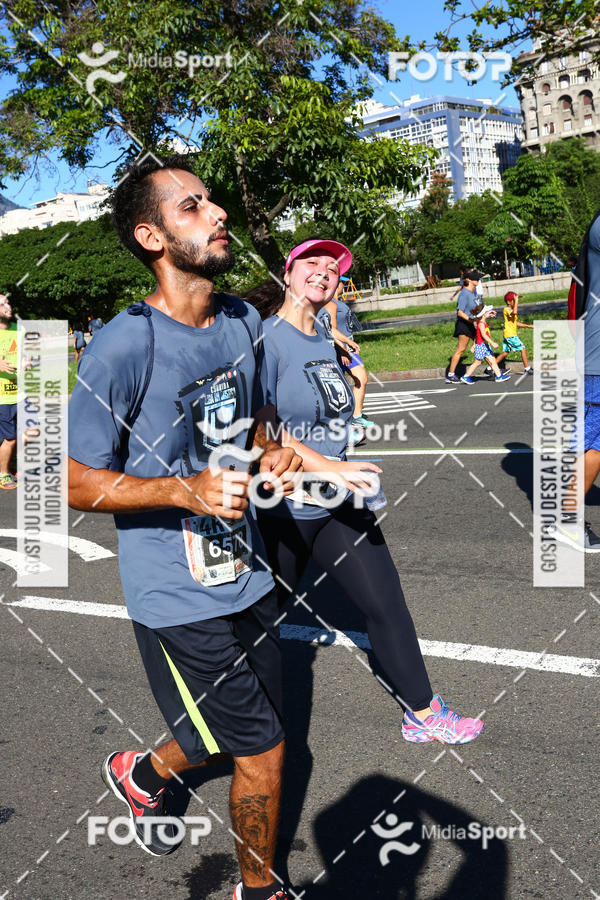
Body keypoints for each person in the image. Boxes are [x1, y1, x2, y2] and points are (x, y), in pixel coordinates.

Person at [67, 154, 304, 900]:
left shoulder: (241, 319)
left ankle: (142, 773)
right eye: (191, 207)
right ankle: (258, 890)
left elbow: (257, 417)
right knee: (262, 751)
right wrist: (185, 490)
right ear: (152, 237)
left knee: (227, 734)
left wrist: (274, 454)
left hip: (248, 572)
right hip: (176, 591)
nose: (218, 212)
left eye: (212, 200)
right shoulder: (123, 345)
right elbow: (69, 480)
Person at [250, 237, 486, 746]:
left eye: (332, 267)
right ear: (287, 274)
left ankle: (423, 712)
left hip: (338, 500)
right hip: (284, 506)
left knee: (386, 603)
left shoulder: (323, 335)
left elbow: (333, 407)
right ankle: (219, 724)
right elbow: (265, 430)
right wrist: (330, 468)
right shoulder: (266, 342)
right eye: (311, 262)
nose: (324, 271)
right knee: (257, 619)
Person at [316, 276, 374, 429]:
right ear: (336, 283)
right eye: (342, 282)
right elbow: (330, 329)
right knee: (348, 384)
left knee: (360, 378)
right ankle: (345, 420)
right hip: (340, 350)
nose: (344, 285)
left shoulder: (337, 302)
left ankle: (355, 416)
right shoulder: (330, 304)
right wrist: (343, 349)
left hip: (347, 348)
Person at [446, 270, 482, 383]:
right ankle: (451, 375)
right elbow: (460, 312)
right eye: (476, 278)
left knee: (482, 345)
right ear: (469, 280)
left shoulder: (472, 293)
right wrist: (472, 320)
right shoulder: (464, 293)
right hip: (464, 325)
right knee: (461, 349)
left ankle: (493, 369)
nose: (478, 280)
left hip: (472, 324)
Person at [484, 291, 533, 376]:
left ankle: (489, 368)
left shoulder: (511, 310)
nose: (516, 302)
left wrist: (528, 326)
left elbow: (515, 323)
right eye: (514, 300)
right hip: (511, 336)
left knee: (505, 353)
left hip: (509, 335)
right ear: (508, 302)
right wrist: (516, 301)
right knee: (523, 349)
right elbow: (515, 312)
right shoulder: (507, 309)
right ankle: (527, 369)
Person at [460, 304, 511, 385]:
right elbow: (483, 335)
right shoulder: (481, 324)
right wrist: (492, 342)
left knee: (493, 360)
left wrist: (491, 313)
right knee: (477, 362)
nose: (490, 313)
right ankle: (466, 376)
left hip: (485, 346)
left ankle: (499, 376)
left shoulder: (482, 322)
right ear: (483, 314)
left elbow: (477, 335)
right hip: (481, 346)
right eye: (488, 312)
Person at [0, 294, 19, 489]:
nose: (8, 305)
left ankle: (8, 461)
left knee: (31, 431)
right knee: (10, 438)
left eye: (8, 301)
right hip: (2, 397)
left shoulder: (15, 330)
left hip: (19, 393)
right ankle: (3, 474)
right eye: (3, 303)